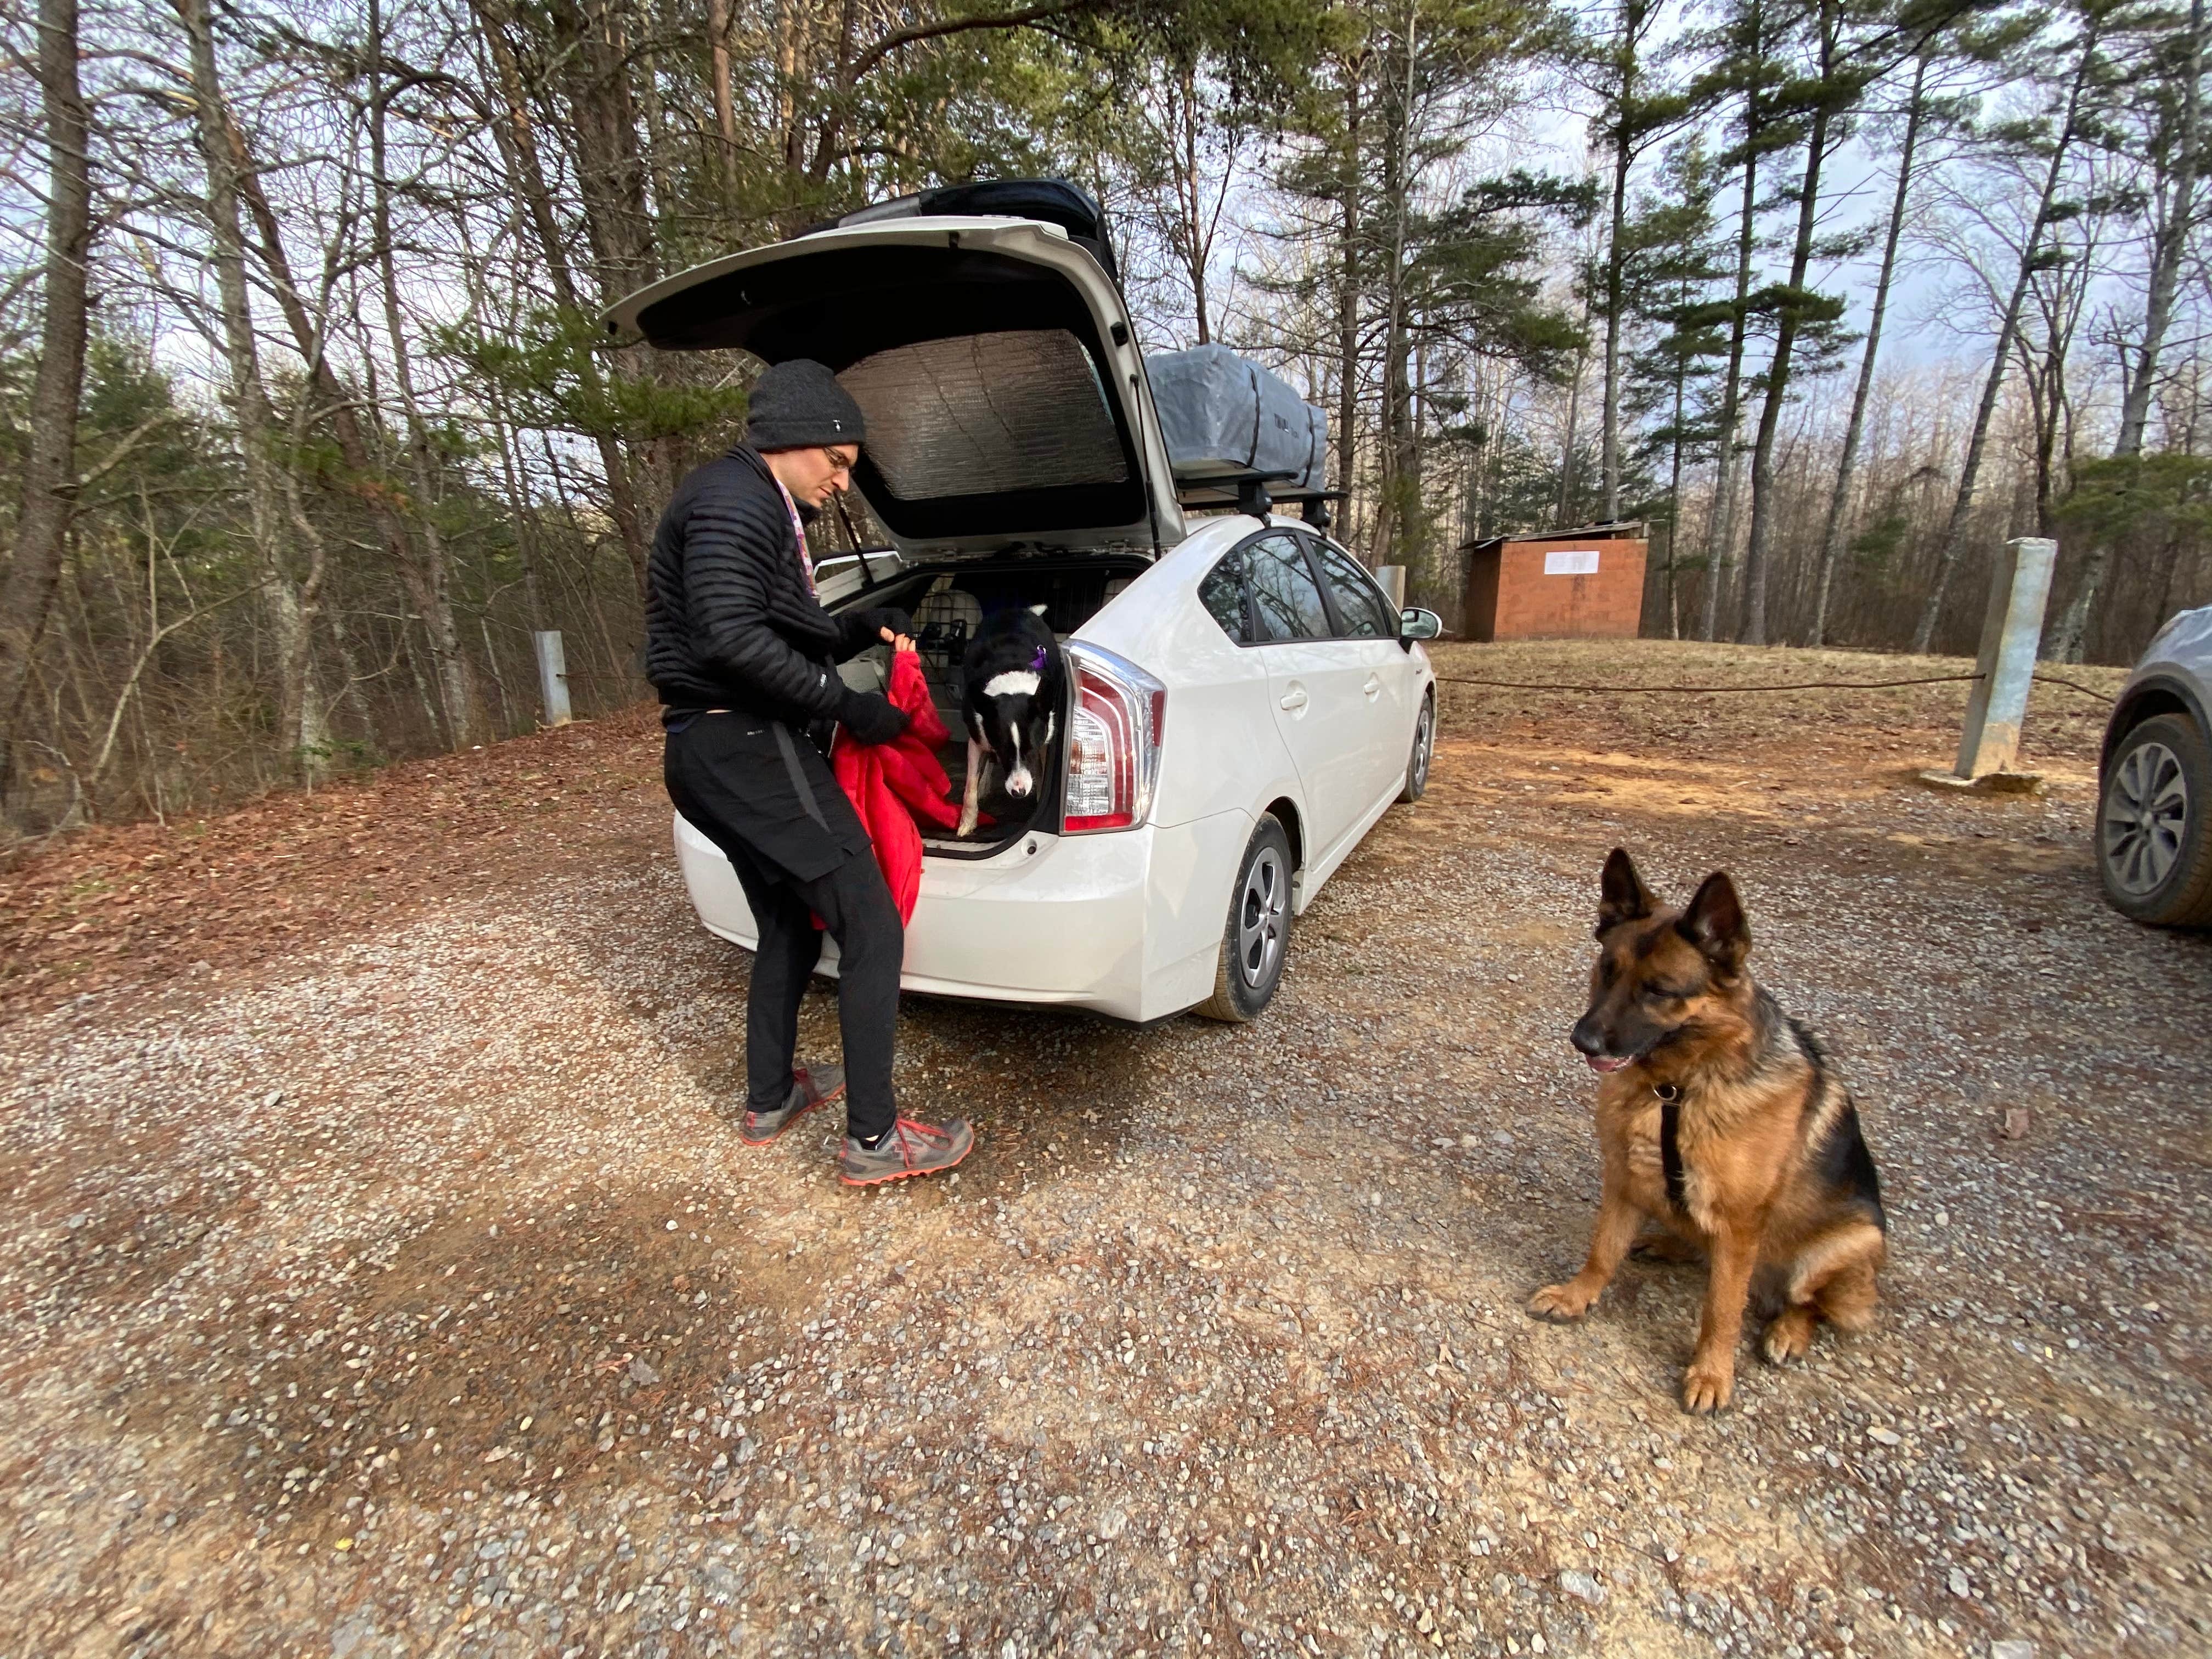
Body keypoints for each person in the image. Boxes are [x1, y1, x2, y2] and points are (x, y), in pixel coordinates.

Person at [649, 358, 974, 1186]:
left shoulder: (753, 501)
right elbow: (728, 636)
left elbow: (782, 622)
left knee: (791, 923)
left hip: (703, 751)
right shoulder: (733, 501)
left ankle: (772, 1096)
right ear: (795, 438)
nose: (841, 481)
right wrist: (850, 707)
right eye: (839, 462)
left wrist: (865, 626)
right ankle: (875, 1140)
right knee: (869, 922)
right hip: (747, 745)